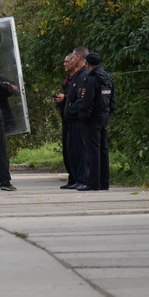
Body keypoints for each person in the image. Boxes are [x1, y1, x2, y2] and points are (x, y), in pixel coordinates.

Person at [76, 52, 115, 191]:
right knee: (103, 149)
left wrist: (83, 116)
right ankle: (104, 182)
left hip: (92, 118)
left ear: (87, 64)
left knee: (93, 150)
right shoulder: (107, 78)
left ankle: (93, 183)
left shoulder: (91, 79)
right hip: (104, 115)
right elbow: (112, 98)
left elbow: (87, 101)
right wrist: (108, 111)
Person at [63, 47, 90, 190]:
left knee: (81, 150)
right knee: (72, 151)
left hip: (78, 120)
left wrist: (71, 109)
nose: (70, 61)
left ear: (79, 58)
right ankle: (76, 178)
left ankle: (83, 178)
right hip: (71, 120)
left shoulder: (83, 76)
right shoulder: (75, 77)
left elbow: (82, 99)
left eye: (72, 58)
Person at [53, 53, 76, 188]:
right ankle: (72, 177)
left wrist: (65, 98)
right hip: (66, 117)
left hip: (74, 118)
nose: (65, 64)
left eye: (67, 61)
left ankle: (78, 178)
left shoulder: (80, 78)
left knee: (74, 149)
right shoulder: (68, 79)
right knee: (67, 150)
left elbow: (79, 96)